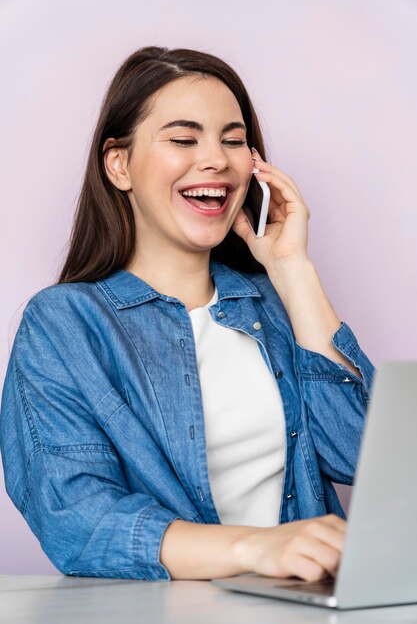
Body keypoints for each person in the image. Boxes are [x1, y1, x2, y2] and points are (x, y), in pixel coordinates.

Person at [0, 46, 375, 582]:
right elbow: (75, 518)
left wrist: (292, 269)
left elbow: (363, 457)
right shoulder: (65, 325)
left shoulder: (276, 304)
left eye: (234, 139)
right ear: (119, 164)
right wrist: (257, 549)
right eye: (183, 139)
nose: (217, 160)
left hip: (306, 608)